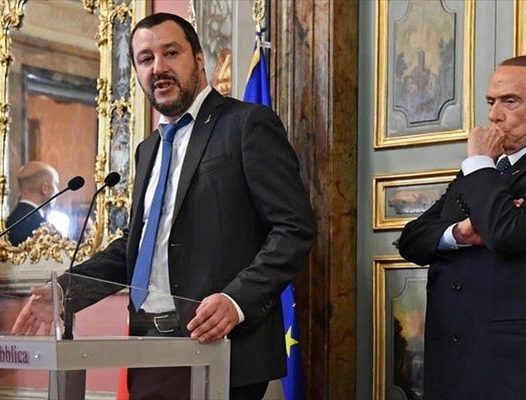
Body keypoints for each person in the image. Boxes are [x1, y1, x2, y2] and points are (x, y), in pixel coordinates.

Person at [12, 12, 315, 400]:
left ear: (199, 58)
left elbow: (294, 229)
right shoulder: (148, 149)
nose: (158, 68)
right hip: (148, 349)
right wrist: (63, 292)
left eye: (171, 53)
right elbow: (134, 248)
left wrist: (236, 300)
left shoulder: (246, 124)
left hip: (221, 346)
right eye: (146, 59)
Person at [397, 55, 526, 399]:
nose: (494, 115)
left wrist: (480, 163)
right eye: (491, 102)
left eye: (510, 101)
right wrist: (459, 234)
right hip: (453, 371)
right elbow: (411, 239)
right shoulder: (481, 173)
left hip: (523, 375)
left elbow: (507, 233)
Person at [6, 161, 59, 246]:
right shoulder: (43, 230)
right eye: (56, 185)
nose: (57, 191)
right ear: (44, 188)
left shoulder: (6, 224)